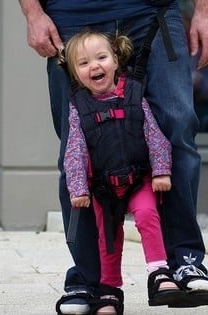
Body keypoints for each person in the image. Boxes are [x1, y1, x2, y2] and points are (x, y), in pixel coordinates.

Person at [18, 0, 208, 313]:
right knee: (77, 147)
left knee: (176, 126)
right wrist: (32, 12)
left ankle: (185, 263)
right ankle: (91, 281)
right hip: (71, 14)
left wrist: (204, 10)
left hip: (152, 10)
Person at [61, 31, 183, 314]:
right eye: (83, 63)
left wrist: (161, 171)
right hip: (104, 189)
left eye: (101, 58)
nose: (94, 66)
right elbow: (74, 150)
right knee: (109, 239)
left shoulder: (133, 94)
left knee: (147, 216)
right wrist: (78, 189)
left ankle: (159, 272)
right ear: (75, 73)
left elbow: (154, 133)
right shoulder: (79, 107)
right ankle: (110, 290)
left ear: (115, 60)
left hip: (138, 180)